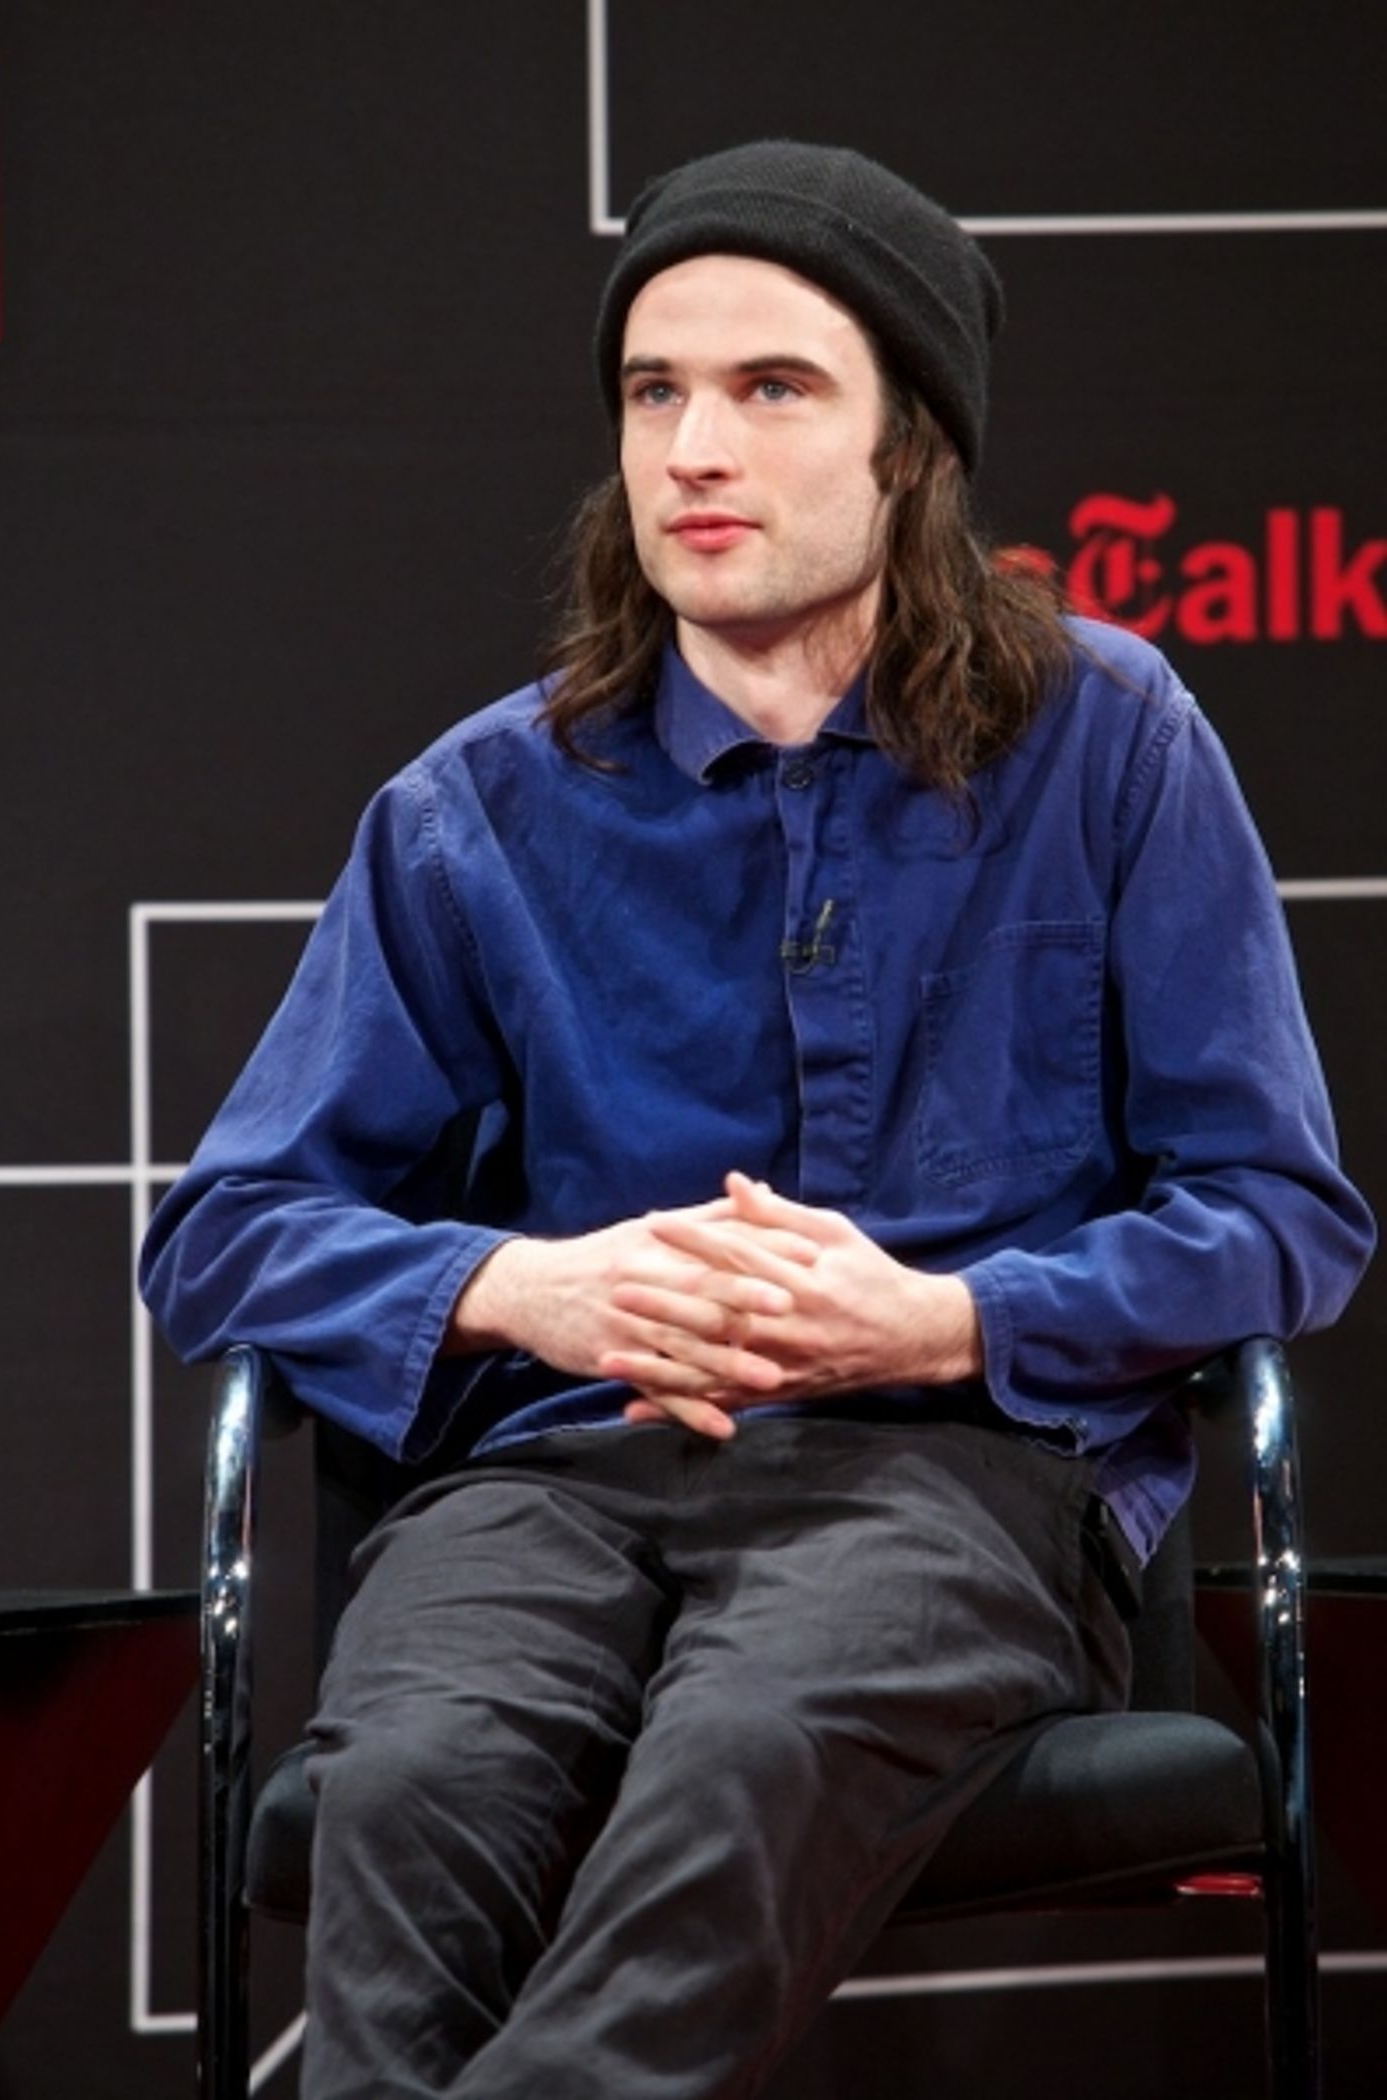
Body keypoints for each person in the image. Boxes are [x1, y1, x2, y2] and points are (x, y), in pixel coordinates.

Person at [140, 141, 1374, 2100]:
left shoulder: (1113, 739)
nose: (691, 448)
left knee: (740, 1766)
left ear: (910, 445)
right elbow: (219, 1231)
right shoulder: (481, 806)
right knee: (409, 1793)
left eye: (770, 388)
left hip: (946, 1470)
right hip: (549, 1478)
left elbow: (1279, 1214)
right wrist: (522, 1286)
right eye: (653, 393)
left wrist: (946, 1321)